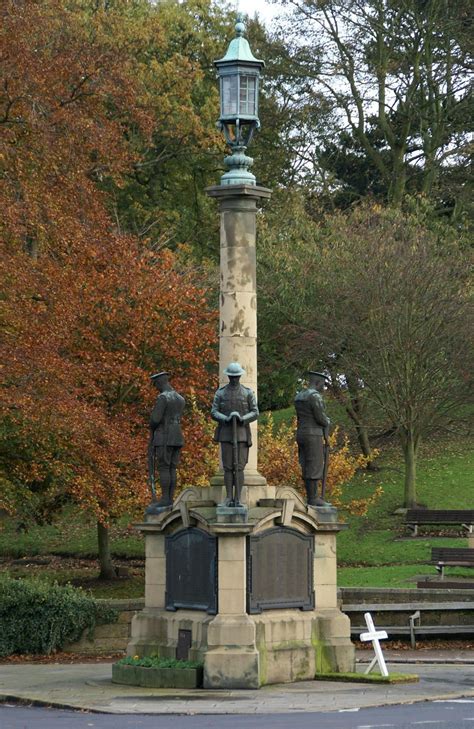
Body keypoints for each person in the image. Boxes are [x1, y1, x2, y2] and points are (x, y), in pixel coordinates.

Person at [211, 362, 258, 507]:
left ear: (240, 376)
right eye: (231, 377)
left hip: (242, 434)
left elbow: (255, 412)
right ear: (228, 376)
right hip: (226, 433)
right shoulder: (220, 393)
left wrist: (242, 418)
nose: (234, 379)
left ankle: (238, 497)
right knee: (228, 467)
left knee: (239, 467)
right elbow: (214, 411)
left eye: (236, 376)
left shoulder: (248, 393)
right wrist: (225, 418)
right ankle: (228, 497)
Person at [147, 371, 185, 510]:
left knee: (164, 467)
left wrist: (151, 421)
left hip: (164, 435)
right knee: (172, 468)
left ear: (160, 382)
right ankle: (170, 497)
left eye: (156, 384)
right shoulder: (180, 398)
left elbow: (155, 419)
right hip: (177, 435)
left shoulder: (163, 397)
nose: (156, 387)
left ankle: (165, 499)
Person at [294, 371, 331, 507]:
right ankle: (313, 497)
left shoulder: (299, 396)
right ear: (318, 382)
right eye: (323, 384)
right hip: (313, 434)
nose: (324, 388)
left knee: (306, 464)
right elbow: (321, 418)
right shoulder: (315, 397)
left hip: (301, 433)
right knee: (315, 464)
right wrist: (327, 421)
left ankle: (311, 496)